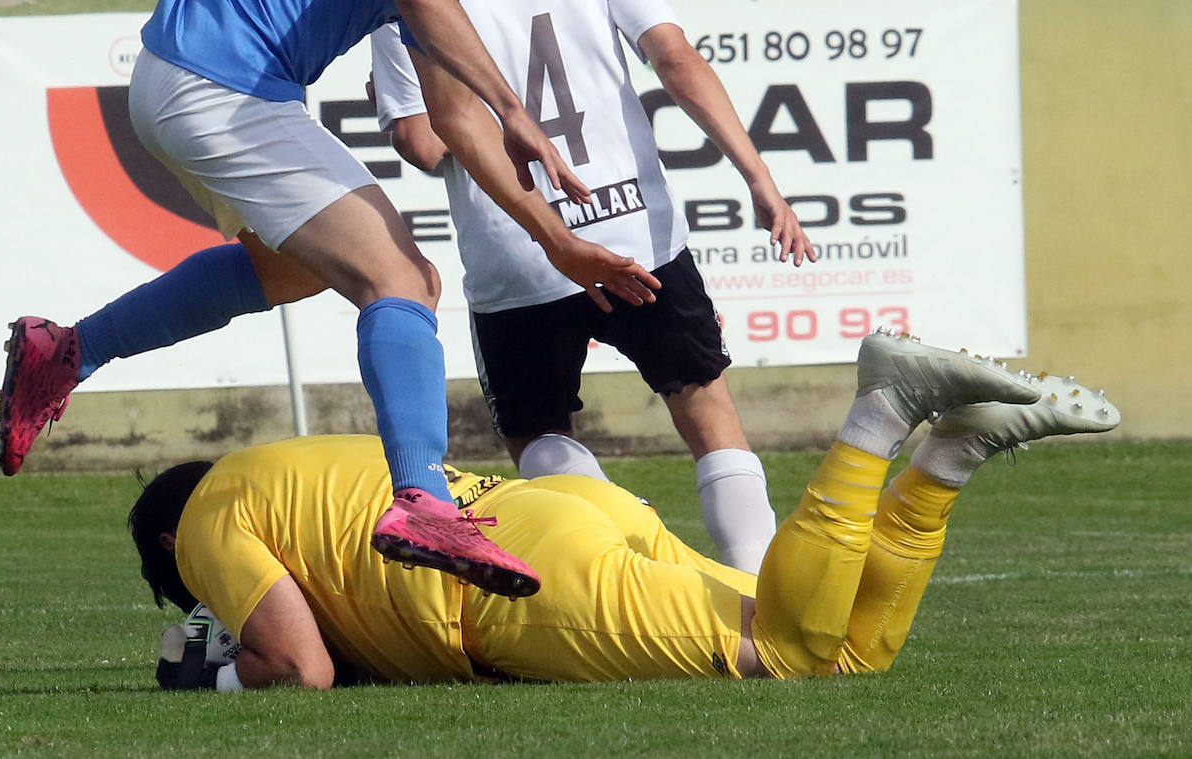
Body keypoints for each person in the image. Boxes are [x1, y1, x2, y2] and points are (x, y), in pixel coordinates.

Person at [0, 0, 662, 600]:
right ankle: (423, 500)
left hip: (192, 78)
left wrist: (554, 238)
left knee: (293, 270)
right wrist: (517, 110)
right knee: (405, 280)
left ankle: (67, 350)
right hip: (218, 85)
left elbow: (454, 119)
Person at [127, 331, 1121, 690]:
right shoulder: (273, 463)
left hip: (512, 584)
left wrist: (209, 680)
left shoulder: (211, 518)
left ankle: (886, 410)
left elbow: (300, 668)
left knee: (785, 650)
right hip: (561, 511)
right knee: (847, 650)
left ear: (175, 540)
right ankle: (948, 455)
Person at [368, 0, 816, 574]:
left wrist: (394, 109)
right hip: (637, 229)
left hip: (520, 243)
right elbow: (675, 57)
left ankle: (642, 561)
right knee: (706, 407)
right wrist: (761, 178)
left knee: (537, 432)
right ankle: (759, 589)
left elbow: (425, 141)